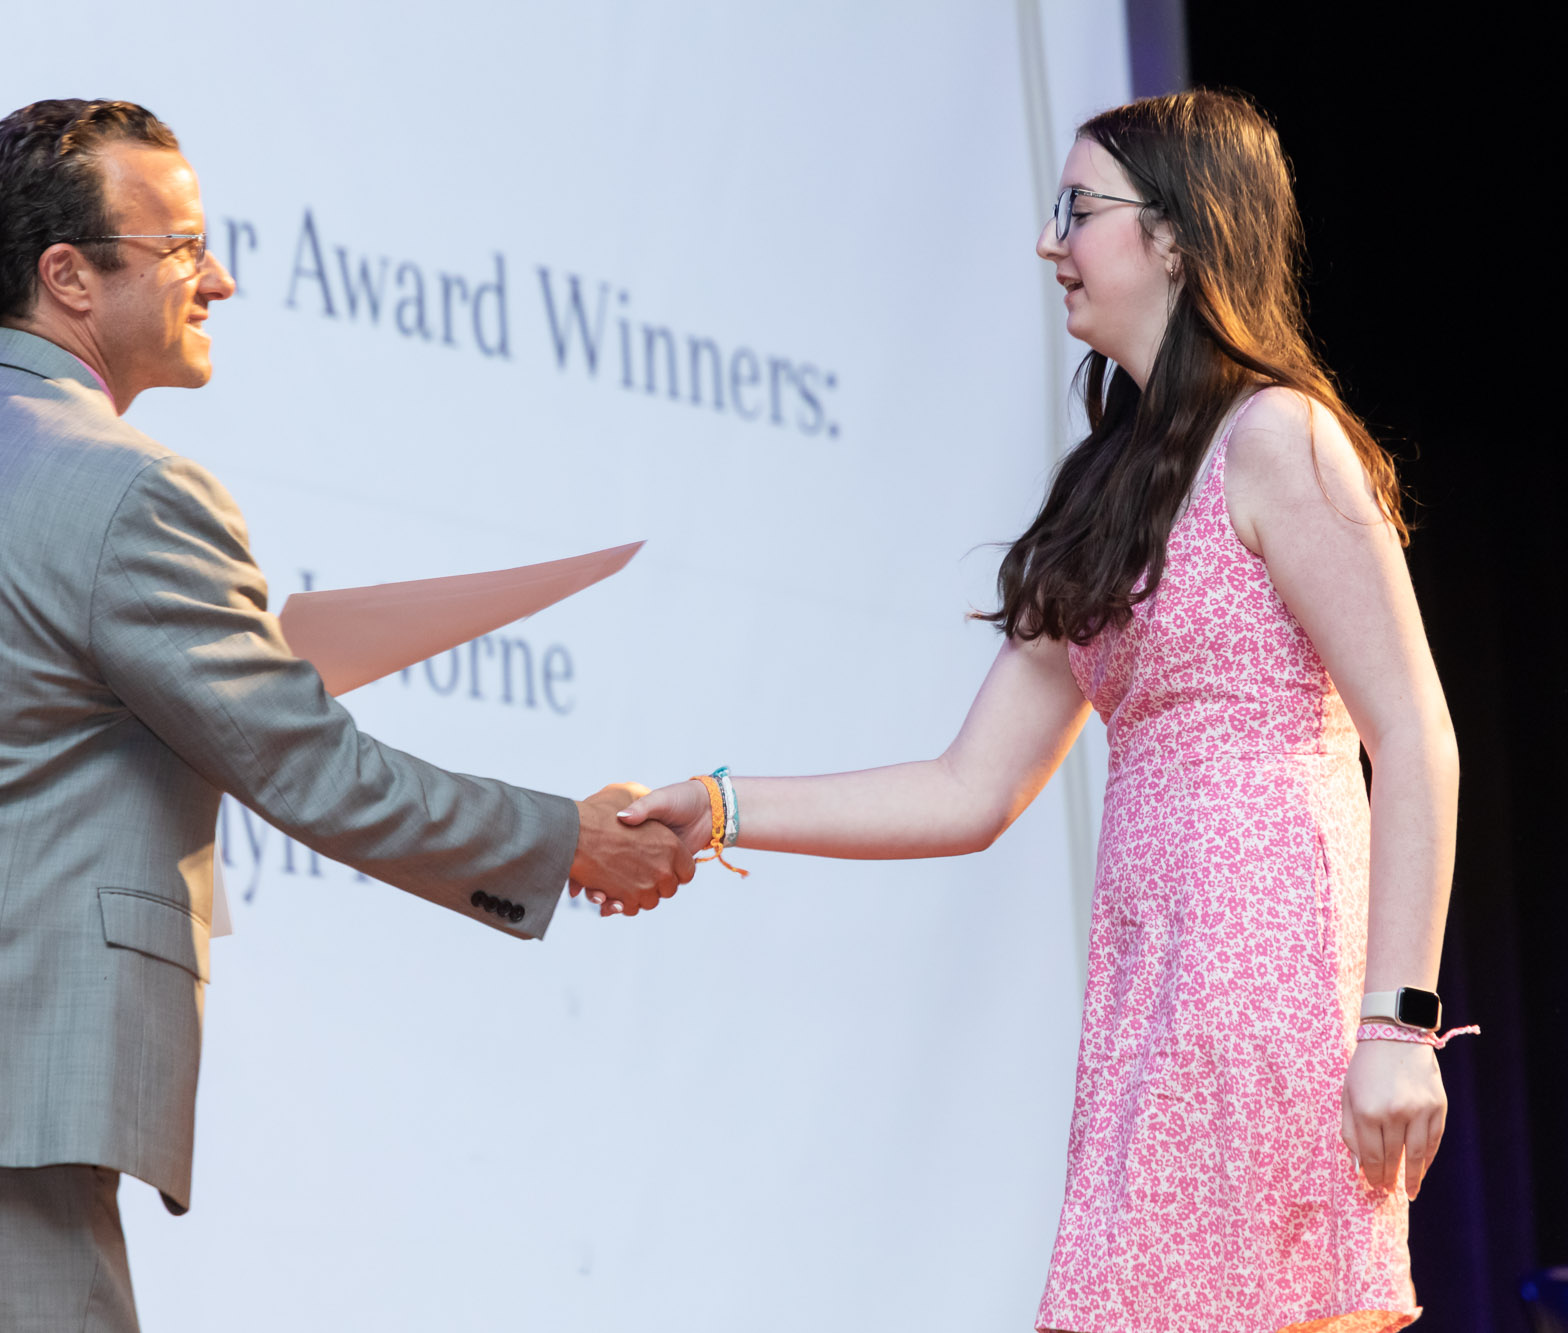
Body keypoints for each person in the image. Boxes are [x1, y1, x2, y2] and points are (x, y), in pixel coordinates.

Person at [0, 98, 689, 1333]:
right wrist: (566, 836)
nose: (223, 278)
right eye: (184, 248)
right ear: (67, 277)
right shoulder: (134, 489)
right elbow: (313, 773)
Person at [619, 91, 1460, 1332]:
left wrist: (1398, 1022)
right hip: (1147, 1003)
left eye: (1078, 209)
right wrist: (725, 805)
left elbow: (1414, 732)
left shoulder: (1279, 437)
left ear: (1176, 234)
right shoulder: (1107, 490)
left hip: (1269, 979)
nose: (1047, 239)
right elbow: (968, 788)